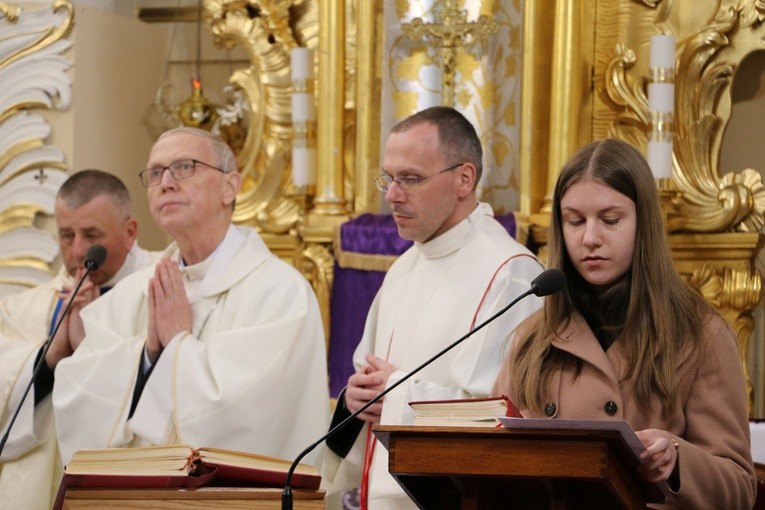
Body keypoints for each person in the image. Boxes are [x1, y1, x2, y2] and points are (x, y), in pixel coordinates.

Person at [491, 138, 756, 509]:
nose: (590, 238)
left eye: (610, 220)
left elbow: (741, 489)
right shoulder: (533, 337)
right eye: (575, 221)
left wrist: (677, 460)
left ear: (642, 222)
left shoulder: (700, 334)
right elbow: (489, 456)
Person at [52, 127, 331, 469]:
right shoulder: (131, 295)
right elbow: (77, 396)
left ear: (230, 186)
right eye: (155, 173)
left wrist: (177, 346)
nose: (166, 182)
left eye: (185, 167)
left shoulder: (281, 293)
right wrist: (147, 355)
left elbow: (256, 416)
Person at [322, 106, 544, 509]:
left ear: (464, 178)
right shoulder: (405, 266)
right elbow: (372, 378)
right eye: (388, 178)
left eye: (410, 179)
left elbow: (504, 416)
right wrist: (357, 399)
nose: (391, 194)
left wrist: (394, 394)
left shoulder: (511, 274)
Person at [0, 169, 154, 510]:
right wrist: (50, 356)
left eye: (92, 235)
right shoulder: (23, 309)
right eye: (67, 235)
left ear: (130, 232)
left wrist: (94, 347)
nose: (79, 250)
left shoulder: (160, 288)